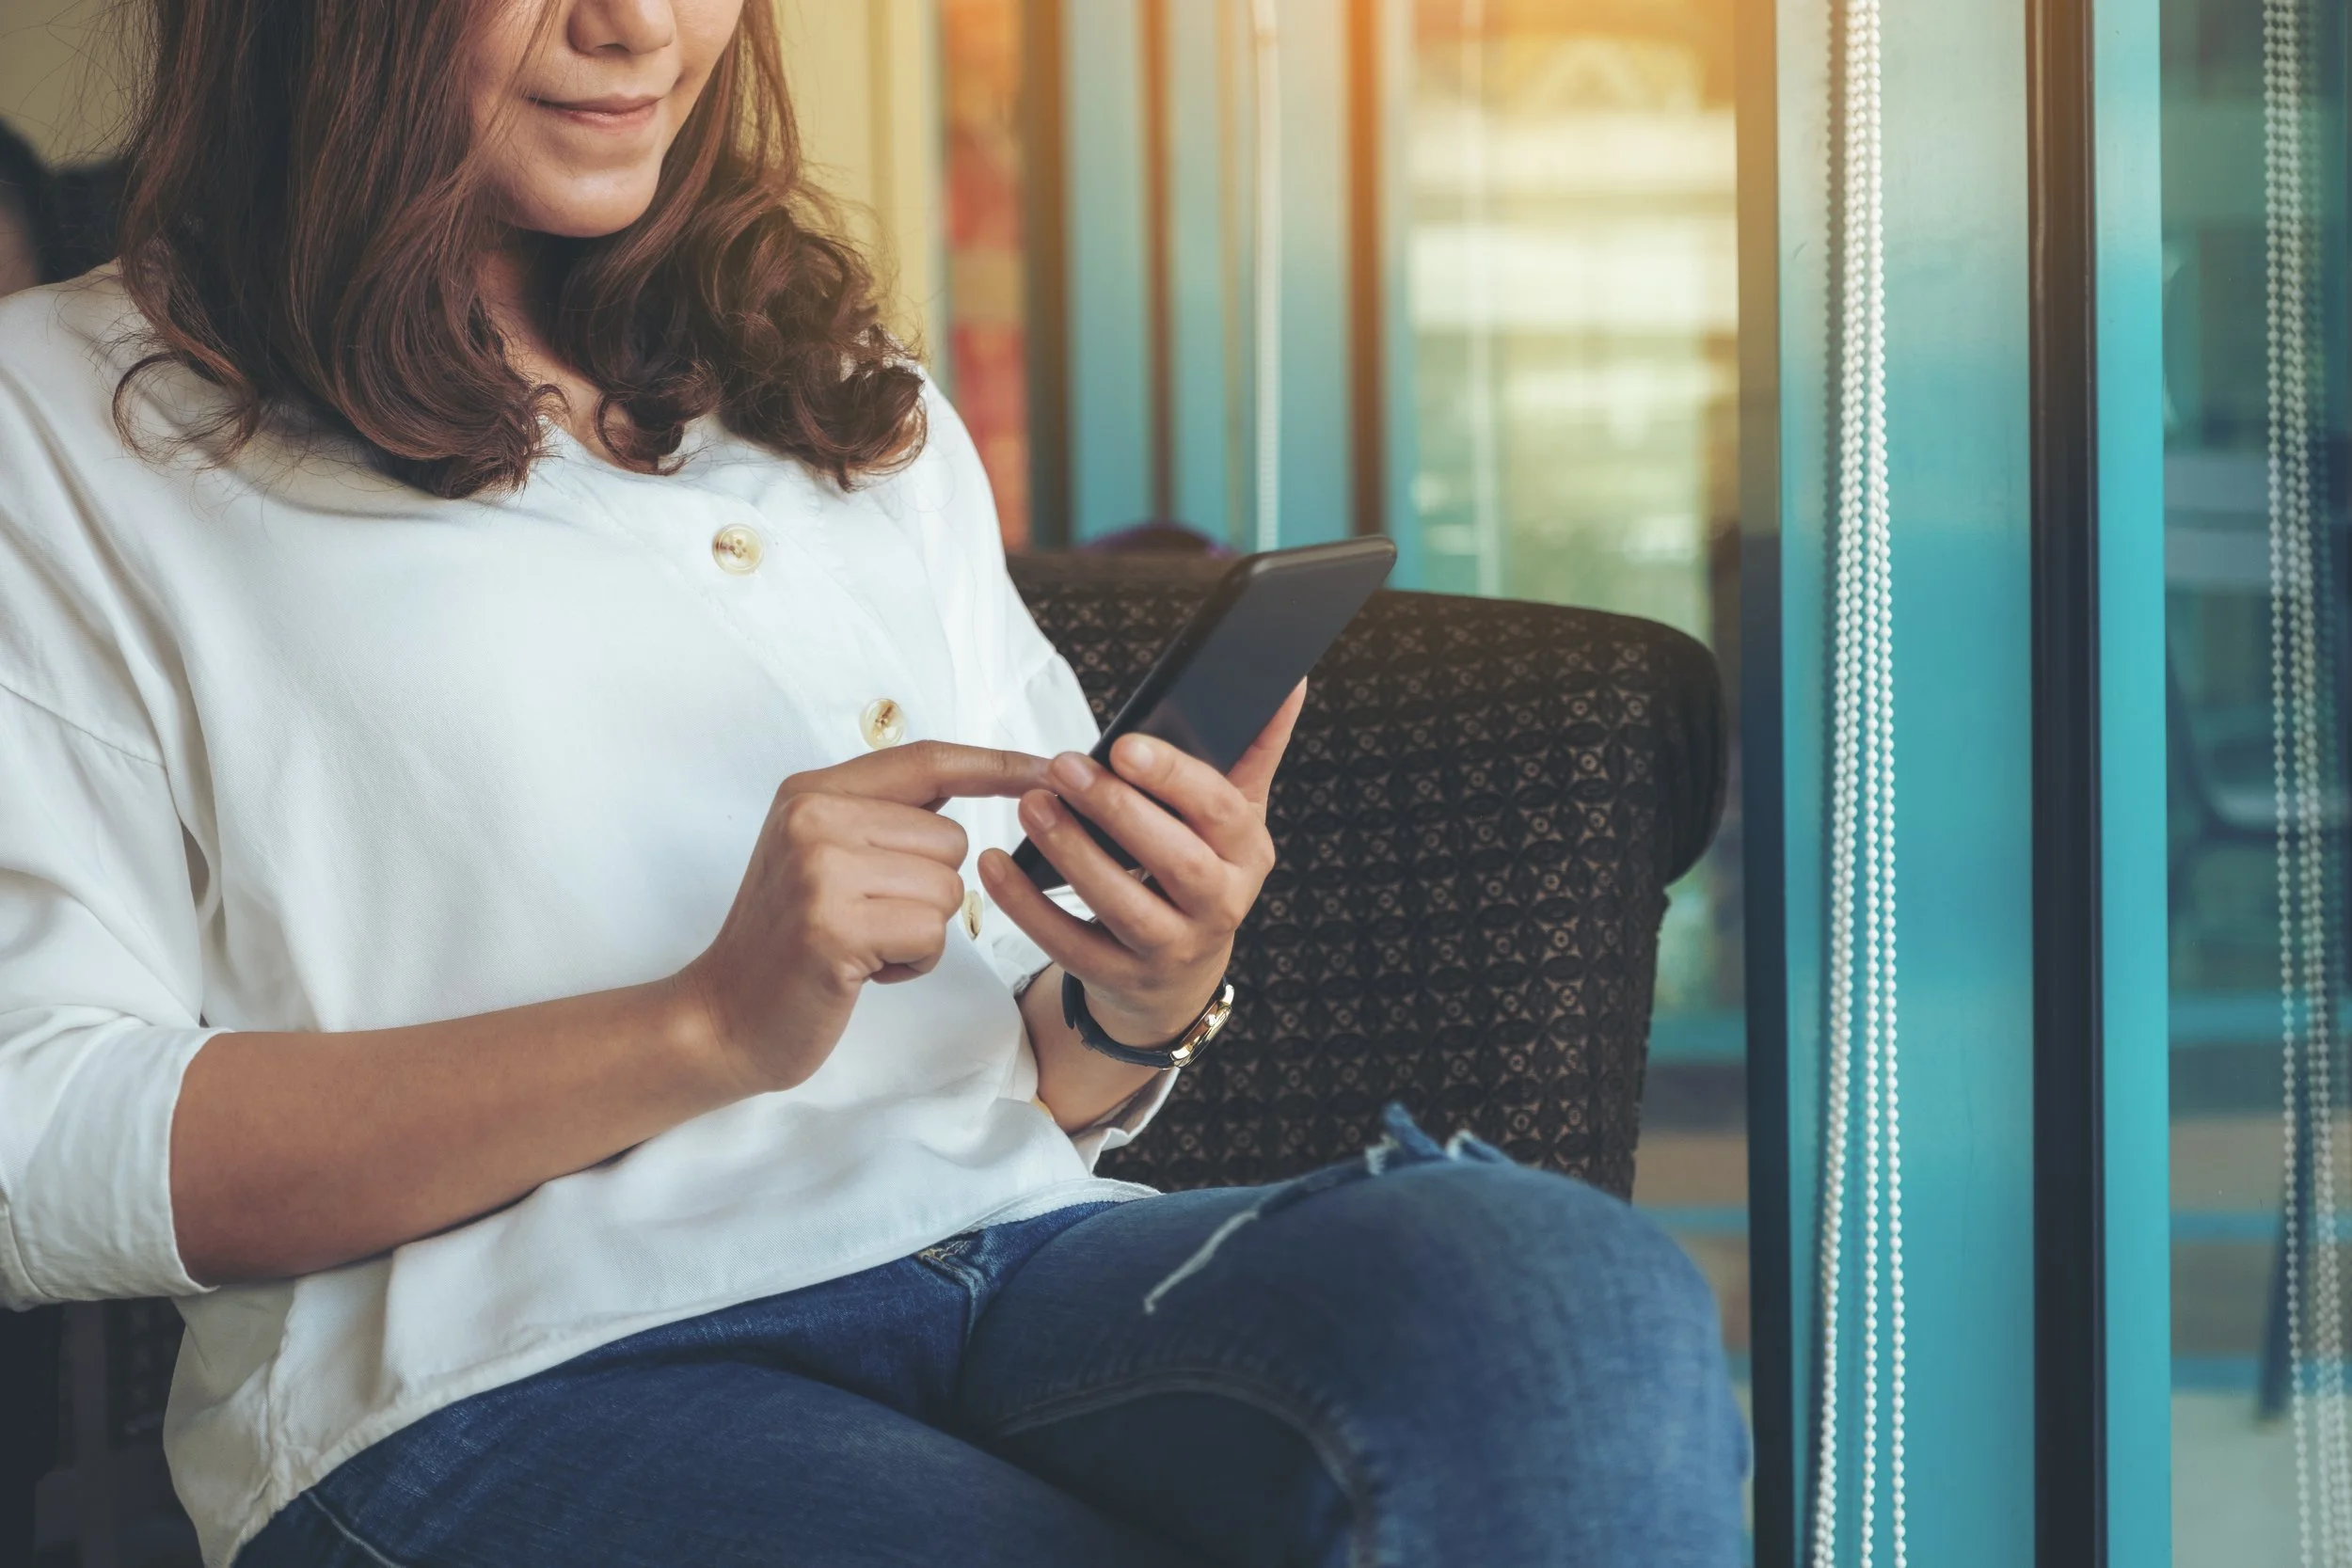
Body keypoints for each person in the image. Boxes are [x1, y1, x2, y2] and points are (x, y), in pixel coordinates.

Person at [0, 2, 1747, 1565]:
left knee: (1567, 1303)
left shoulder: (848, 402)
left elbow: (1027, 1050)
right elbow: (32, 1144)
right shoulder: (61, 425)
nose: (639, 30)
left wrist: (1144, 985)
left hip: (1011, 1257)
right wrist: (704, 1023)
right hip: (501, 1371)